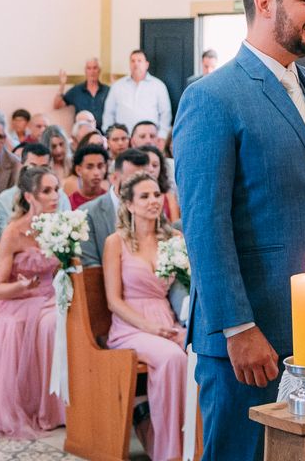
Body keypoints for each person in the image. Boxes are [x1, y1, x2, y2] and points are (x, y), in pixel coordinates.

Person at [174, 0, 305, 461]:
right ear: (264, 2)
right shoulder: (213, 97)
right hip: (251, 337)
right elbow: (204, 223)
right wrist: (238, 327)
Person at [0, 167, 67, 439]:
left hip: (52, 295)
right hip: (17, 299)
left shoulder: (60, 226)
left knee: (58, 321)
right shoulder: (14, 232)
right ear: (29, 196)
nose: (55, 197)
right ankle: (35, 407)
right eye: (47, 191)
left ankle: (62, 408)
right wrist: (22, 286)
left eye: (56, 189)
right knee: (20, 327)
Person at [102, 174, 187, 461]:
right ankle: (167, 449)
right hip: (131, 325)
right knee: (172, 358)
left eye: (156, 194)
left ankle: (193, 444)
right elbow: (114, 301)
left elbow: (185, 287)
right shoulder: (116, 243)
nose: (153, 201)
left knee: (195, 352)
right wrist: (149, 326)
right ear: (128, 204)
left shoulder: (174, 239)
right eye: (144, 196)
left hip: (166, 317)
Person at [79, 147, 155, 269]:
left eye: (144, 179)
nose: (140, 187)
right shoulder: (89, 213)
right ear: (114, 178)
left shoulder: (153, 208)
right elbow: (91, 267)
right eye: (132, 180)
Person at [0, 143, 70, 236]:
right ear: (21, 166)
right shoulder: (1, 202)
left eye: (43, 168)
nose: (38, 174)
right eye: (32, 167)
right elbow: (3, 238)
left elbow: (67, 232)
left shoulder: (60, 197)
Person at [101, 49, 172, 141]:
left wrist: (162, 136)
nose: (136, 64)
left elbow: (165, 113)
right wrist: (109, 134)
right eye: (133, 61)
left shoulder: (158, 86)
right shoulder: (117, 86)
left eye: (139, 61)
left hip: (149, 139)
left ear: (146, 64)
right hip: (123, 139)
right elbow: (109, 113)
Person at [58, 60, 109, 129]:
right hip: (82, 133)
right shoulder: (76, 90)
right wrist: (62, 85)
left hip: (103, 134)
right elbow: (57, 105)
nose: (92, 71)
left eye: (95, 68)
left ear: (99, 71)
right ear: (85, 71)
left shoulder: (107, 90)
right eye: (89, 68)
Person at [64, 142, 109, 208]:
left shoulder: (111, 200)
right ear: (78, 170)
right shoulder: (69, 203)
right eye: (89, 167)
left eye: (100, 166)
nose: (96, 173)